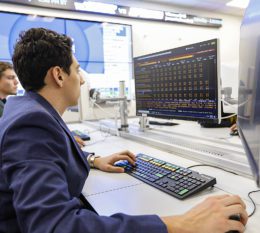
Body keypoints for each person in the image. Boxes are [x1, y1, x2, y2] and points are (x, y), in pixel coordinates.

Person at [0, 28, 248, 233]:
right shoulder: (32, 125)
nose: (83, 80)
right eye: (76, 70)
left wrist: (93, 160)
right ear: (58, 75)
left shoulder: (28, 111)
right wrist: (180, 223)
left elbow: (44, 157)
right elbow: (54, 226)